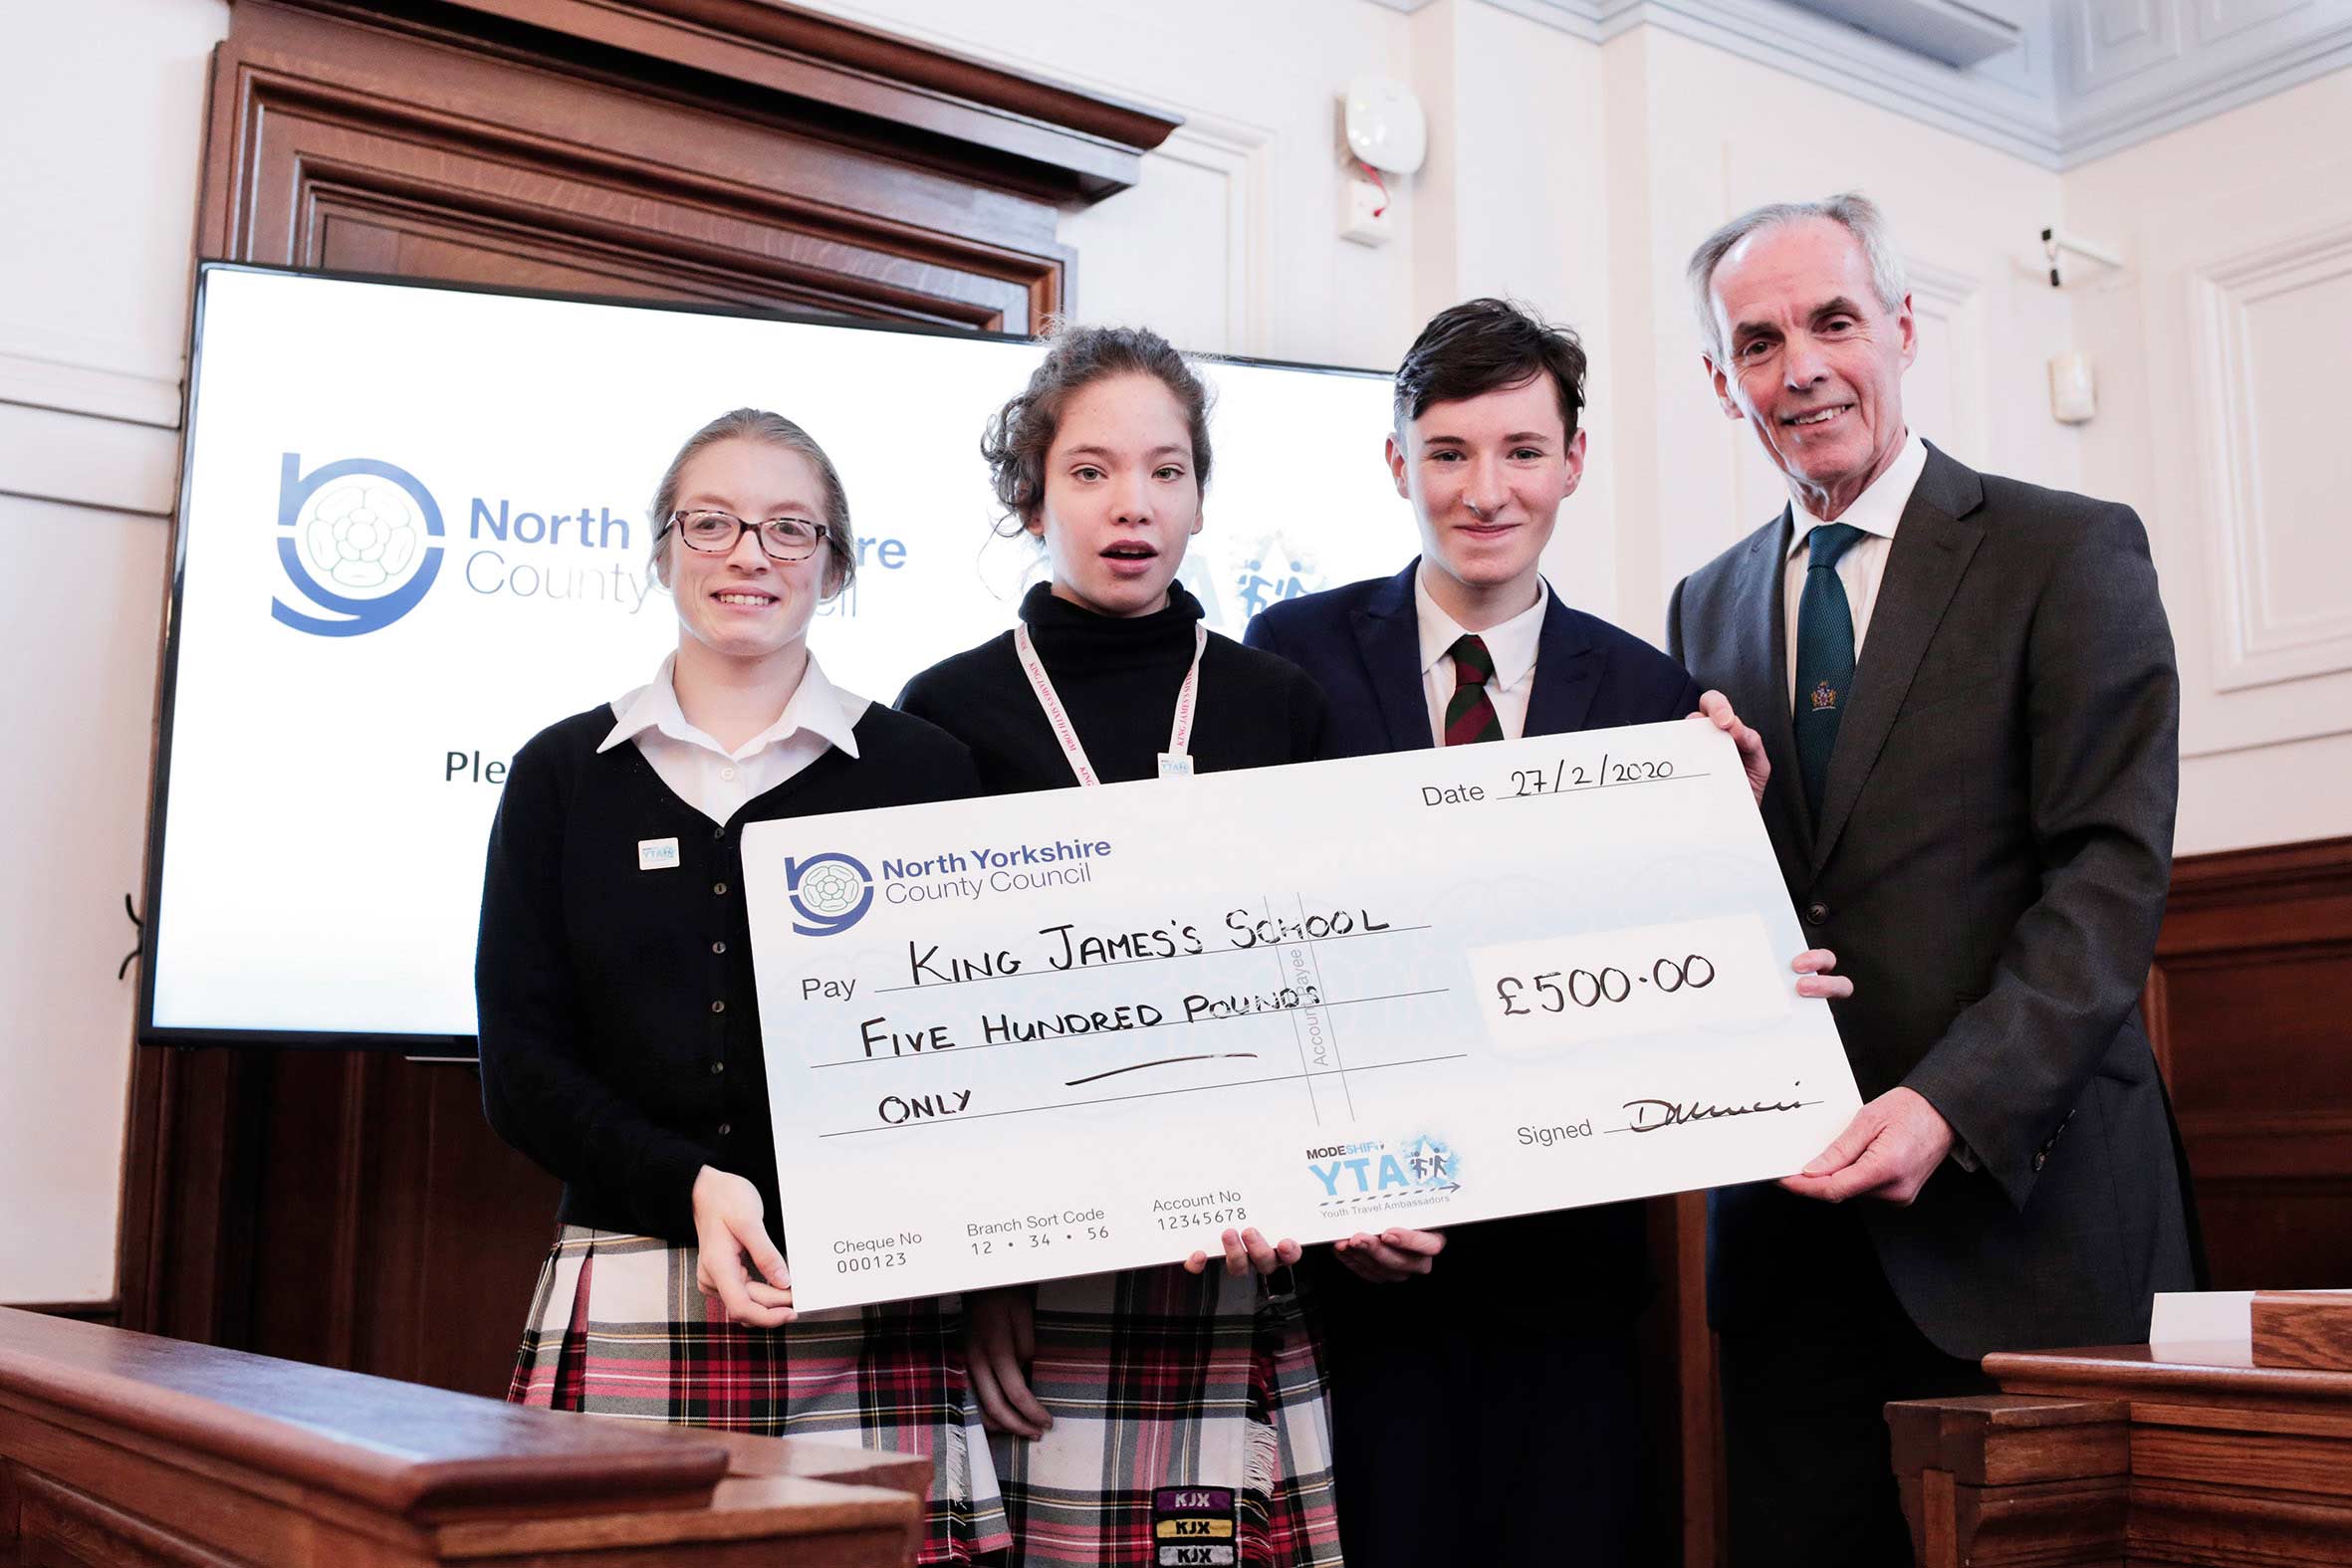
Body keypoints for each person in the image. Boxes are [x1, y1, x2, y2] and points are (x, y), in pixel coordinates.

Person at [1245, 297, 1849, 1568]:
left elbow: (1672, 967)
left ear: (1574, 460)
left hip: (1568, 1287)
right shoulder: (1288, 656)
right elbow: (1262, 945)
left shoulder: (1648, 694)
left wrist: (1751, 959)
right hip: (1358, 1278)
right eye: (1450, 451)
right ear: (1397, 462)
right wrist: (1330, 1194)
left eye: (1522, 450)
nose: (1485, 490)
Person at [1666, 193, 2197, 1567]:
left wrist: (1947, 1105)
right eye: (1758, 340)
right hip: (1790, 1245)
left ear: (1901, 329)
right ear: (1722, 382)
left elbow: (2108, 873)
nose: (1801, 368)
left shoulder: (2066, 550)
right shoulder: (1701, 604)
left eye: (1833, 321)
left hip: (2029, 1219)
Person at [476, 409, 1007, 1563]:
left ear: (836, 563)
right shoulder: (563, 775)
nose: (747, 554)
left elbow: (970, 1051)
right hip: (628, 1281)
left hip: (867, 1290)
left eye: (787, 527)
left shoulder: (924, 772)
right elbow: (520, 1073)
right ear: (661, 550)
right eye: (709, 522)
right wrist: (692, 1185)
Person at [897, 324, 1341, 1568]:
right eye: (1090, 471)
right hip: (1038, 1272)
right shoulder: (942, 714)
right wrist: (979, 1273)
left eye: (1165, 469)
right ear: (1030, 491)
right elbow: (925, 1030)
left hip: (1244, 1248)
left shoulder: (1280, 705)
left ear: (1200, 495)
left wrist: (1318, 1181)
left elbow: (1325, 988)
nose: (1130, 504)